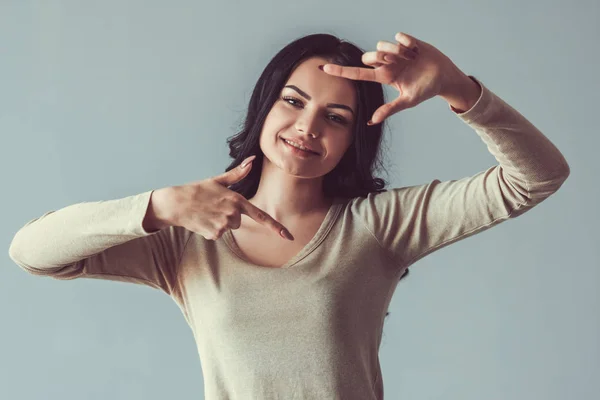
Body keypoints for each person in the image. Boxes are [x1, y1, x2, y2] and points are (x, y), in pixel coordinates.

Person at [8, 32, 570, 399]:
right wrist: (157, 207)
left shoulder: (379, 226)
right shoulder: (187, 239)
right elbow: (31, 253)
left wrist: (457, 88)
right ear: (266, 104)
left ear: (355, 138)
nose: (307, 129)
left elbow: (536, 178)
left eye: (336, 117)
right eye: (294, 102)